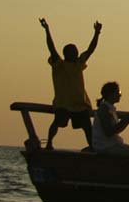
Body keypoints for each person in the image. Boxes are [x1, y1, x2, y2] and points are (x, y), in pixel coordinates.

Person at [39, 18, 100, 149]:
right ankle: (49, 143)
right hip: (63, 104)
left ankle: (92, 147)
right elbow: (51, 48)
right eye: (72, 52)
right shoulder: (59, 65)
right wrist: (47, 30)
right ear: (66, 54)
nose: (75, 54)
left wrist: (97, 33)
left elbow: (90, 50)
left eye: (76, 52)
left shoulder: (78, 64)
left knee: (87, 127)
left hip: (80, 104)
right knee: (57, 122)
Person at [91, 81, 129, 155]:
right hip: (105, 146)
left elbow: (116, 130)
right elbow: (109, 132)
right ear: (111, 94)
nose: (120, 95)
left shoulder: (109, 108)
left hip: (110, 145)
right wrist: (125, 120)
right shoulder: (104, 109)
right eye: (118, 92)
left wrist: (128, 120)